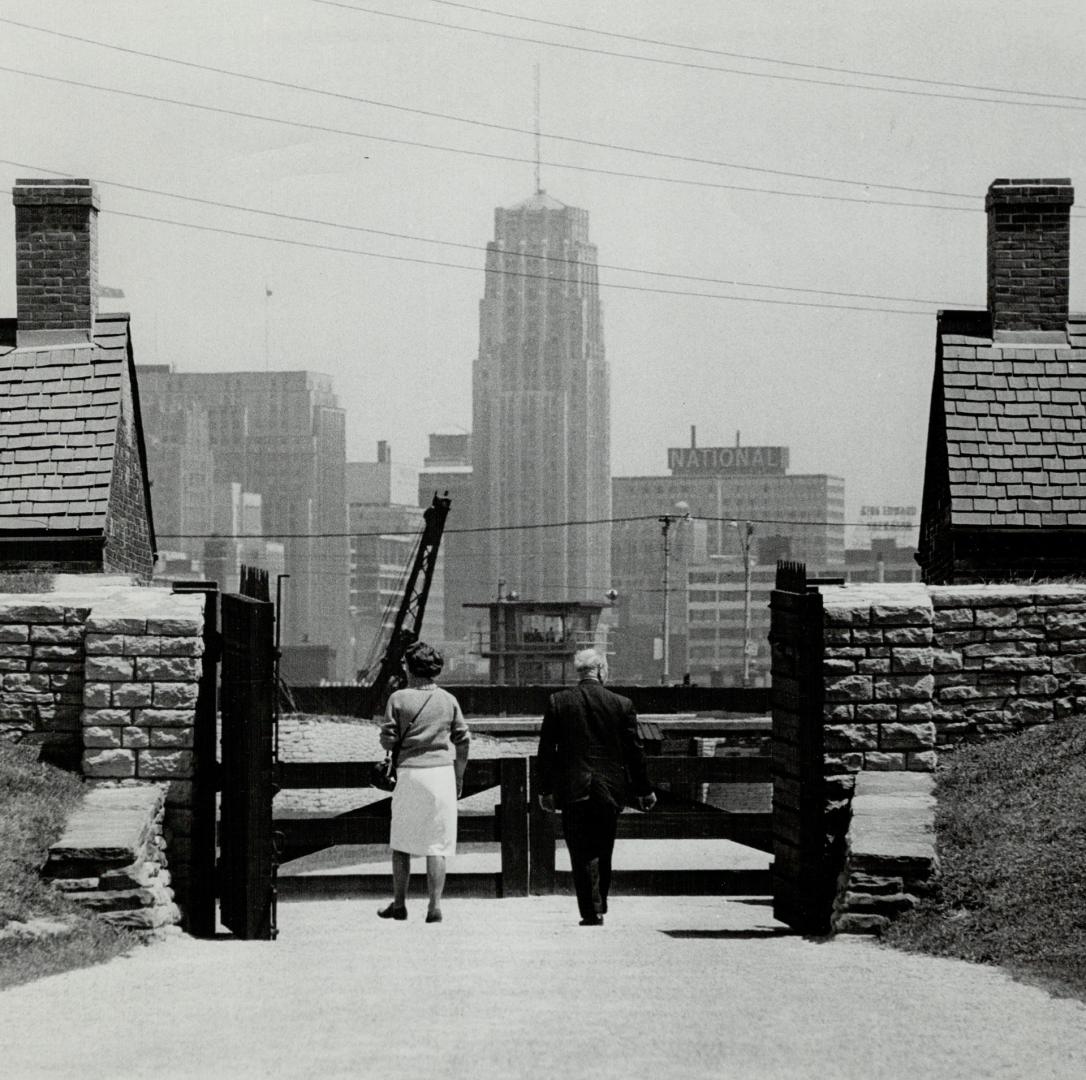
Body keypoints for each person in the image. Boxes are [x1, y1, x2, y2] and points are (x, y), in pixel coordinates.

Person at [537, 648, 656, 925]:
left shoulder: (558, 702)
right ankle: (599, 902)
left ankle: (591, 910)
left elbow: (546, 752)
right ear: (601, 669)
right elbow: (633, 752)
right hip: (610, 790)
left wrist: (545, 790)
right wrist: (644, 789)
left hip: (573, 788)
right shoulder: (622, 704)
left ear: (579, 672)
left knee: (579, 851)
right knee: (604, 847)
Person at [377, 641, 469, 923]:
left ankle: (400, 903)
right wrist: (459, 774)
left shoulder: (398, 698)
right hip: (441, 773)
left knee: (402, 842)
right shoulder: (448, 699)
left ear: (410, 667)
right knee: (438, 844)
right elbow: (463, 739)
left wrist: (394, 742)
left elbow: (387, 738)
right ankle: (434, 906)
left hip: (410, 773)